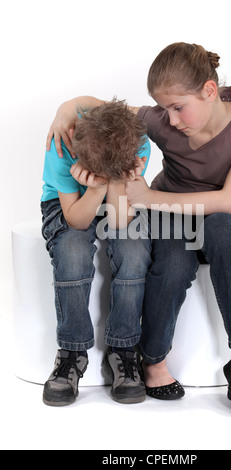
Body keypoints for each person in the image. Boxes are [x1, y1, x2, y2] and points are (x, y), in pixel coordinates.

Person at [46, 42, 231, 414]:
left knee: (221, 231)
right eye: (164, 109)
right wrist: (63, 110)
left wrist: (147, 198)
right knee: (170, 266)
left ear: (209, 91)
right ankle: (152, 360)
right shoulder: (162, 120)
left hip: (223, 214)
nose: (170, 119)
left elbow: (229, 200)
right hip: (173, 215)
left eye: (178, 108)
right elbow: (99, 107)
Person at [41, 99, 152, 406]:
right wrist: (94, 189)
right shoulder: (62, 148)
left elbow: (119, 220)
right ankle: (71, 352)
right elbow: (76, 220)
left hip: (120, 201)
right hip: (68, 202)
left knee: (134, 251)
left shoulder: (137, 147)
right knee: (72, 252)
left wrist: (113, 181)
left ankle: (123, 349)